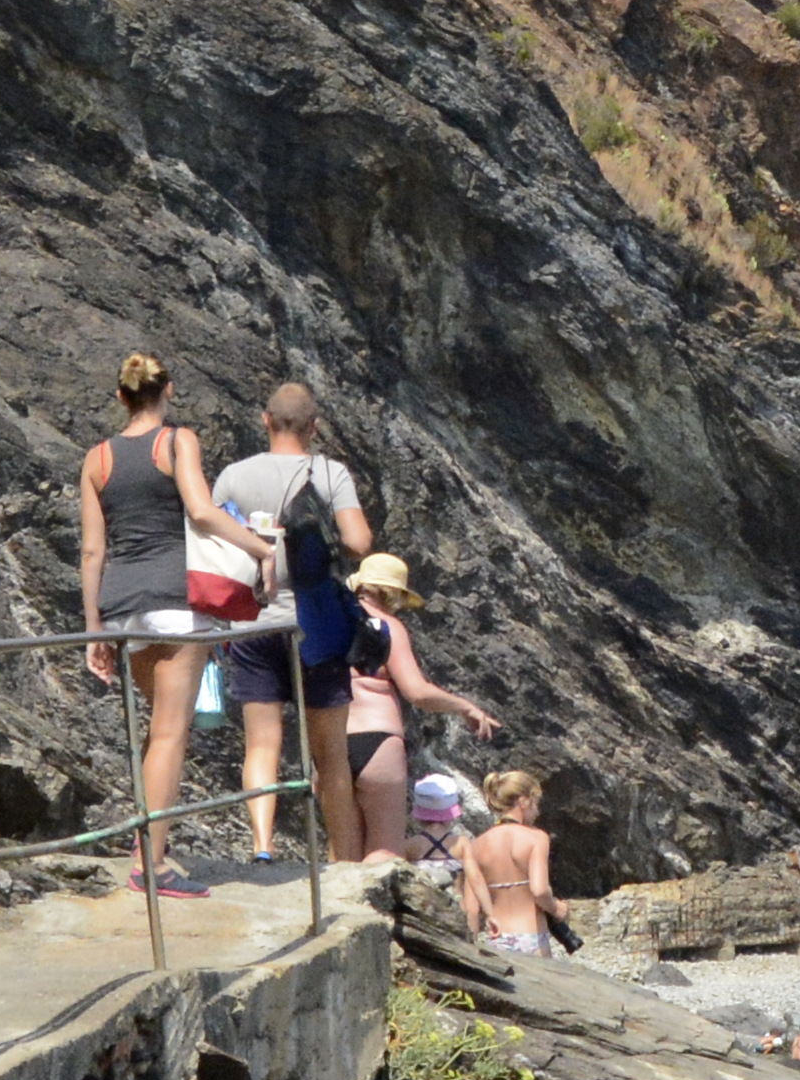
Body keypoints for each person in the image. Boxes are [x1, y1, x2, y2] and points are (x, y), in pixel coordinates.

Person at [73, 357, 255, 887]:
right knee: (170, 735)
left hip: (123, 605)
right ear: (168, 389)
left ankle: (149, 845)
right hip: (178, 598)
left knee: (157, 736)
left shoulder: (96, 458)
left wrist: (94, 629)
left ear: (120, 396)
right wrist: (262, 549)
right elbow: (201, 511)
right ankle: (149, 866)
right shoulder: (177, 441)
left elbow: (91, 550)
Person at [207, 382, 371, 856]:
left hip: (254, 624)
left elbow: (216, 547)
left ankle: (262, 845)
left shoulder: (234, 475)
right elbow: (359, 544)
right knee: (332, 758)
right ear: (314, 427)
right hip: (315, 625)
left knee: (262, 746)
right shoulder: (329, 472)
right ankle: (344, 859)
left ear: (265, 420)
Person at [334, 553, 499, 864]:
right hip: (377, 740)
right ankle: (376, 913)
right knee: (383, 850)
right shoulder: (388, 627)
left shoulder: (329, 621)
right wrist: (464, 707)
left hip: (329, 739)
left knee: (342, 852)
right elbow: (417, 692)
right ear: (390, 593)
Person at [458, 769, 562, 959]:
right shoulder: (536, 838)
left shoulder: (477, 845)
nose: (537, 811)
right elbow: (539, 891)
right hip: (531, 936)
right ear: (523, 802)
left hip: (497, 938)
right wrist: (557, 909)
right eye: (536, 803)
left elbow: (471, 909)